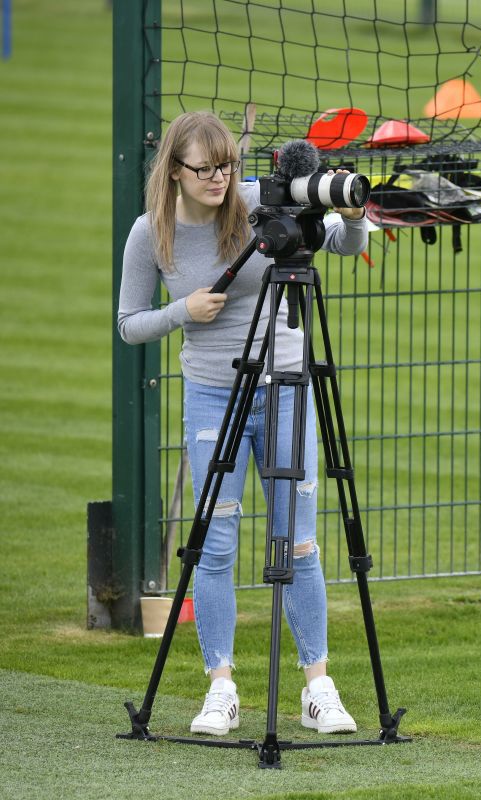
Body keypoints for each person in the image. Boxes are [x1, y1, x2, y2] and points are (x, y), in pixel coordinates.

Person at [118, 111, 370, 736]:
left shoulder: (260, 202)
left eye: (227, 167)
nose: (219, 179)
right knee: (216, 544)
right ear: (173, 171)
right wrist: (182, 310)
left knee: (298, 540)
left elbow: (343, 242)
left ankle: (318, 689)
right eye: (204, 169)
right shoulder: (150, 233)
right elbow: (129, 325)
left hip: (286, 387)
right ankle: (220, 688)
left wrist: (354, 215)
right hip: (212, 395)